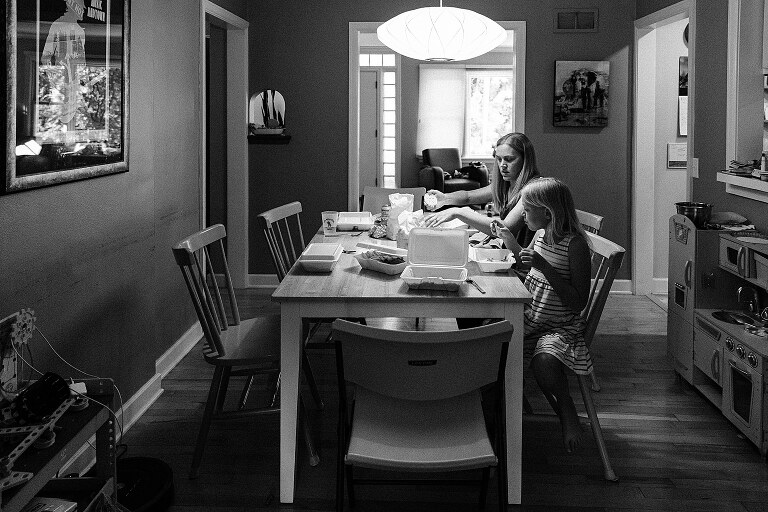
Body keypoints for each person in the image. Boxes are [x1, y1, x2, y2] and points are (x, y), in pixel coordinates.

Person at [492, 177, 592, 453]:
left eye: (526, 209)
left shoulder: (575, 246)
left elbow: (578, 302)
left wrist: (545, 267)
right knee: (487, 338)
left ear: (547, 213)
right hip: (532, 317)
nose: (522, 214)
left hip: (559, 326)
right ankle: (493, 411)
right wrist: (510, 241)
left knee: (545, 363)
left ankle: (567, 410)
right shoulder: (539, 235)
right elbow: (530, 268)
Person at [422, 132, 541, 248]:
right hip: (509, 253)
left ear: (525, 160)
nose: (502, 165)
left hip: (525, 261)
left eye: (509, 159)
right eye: (499, 159)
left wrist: (459, 212)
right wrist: (445, 198)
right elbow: (468, 196)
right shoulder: (505, 184)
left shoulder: (533, 189)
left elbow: (506, 229)